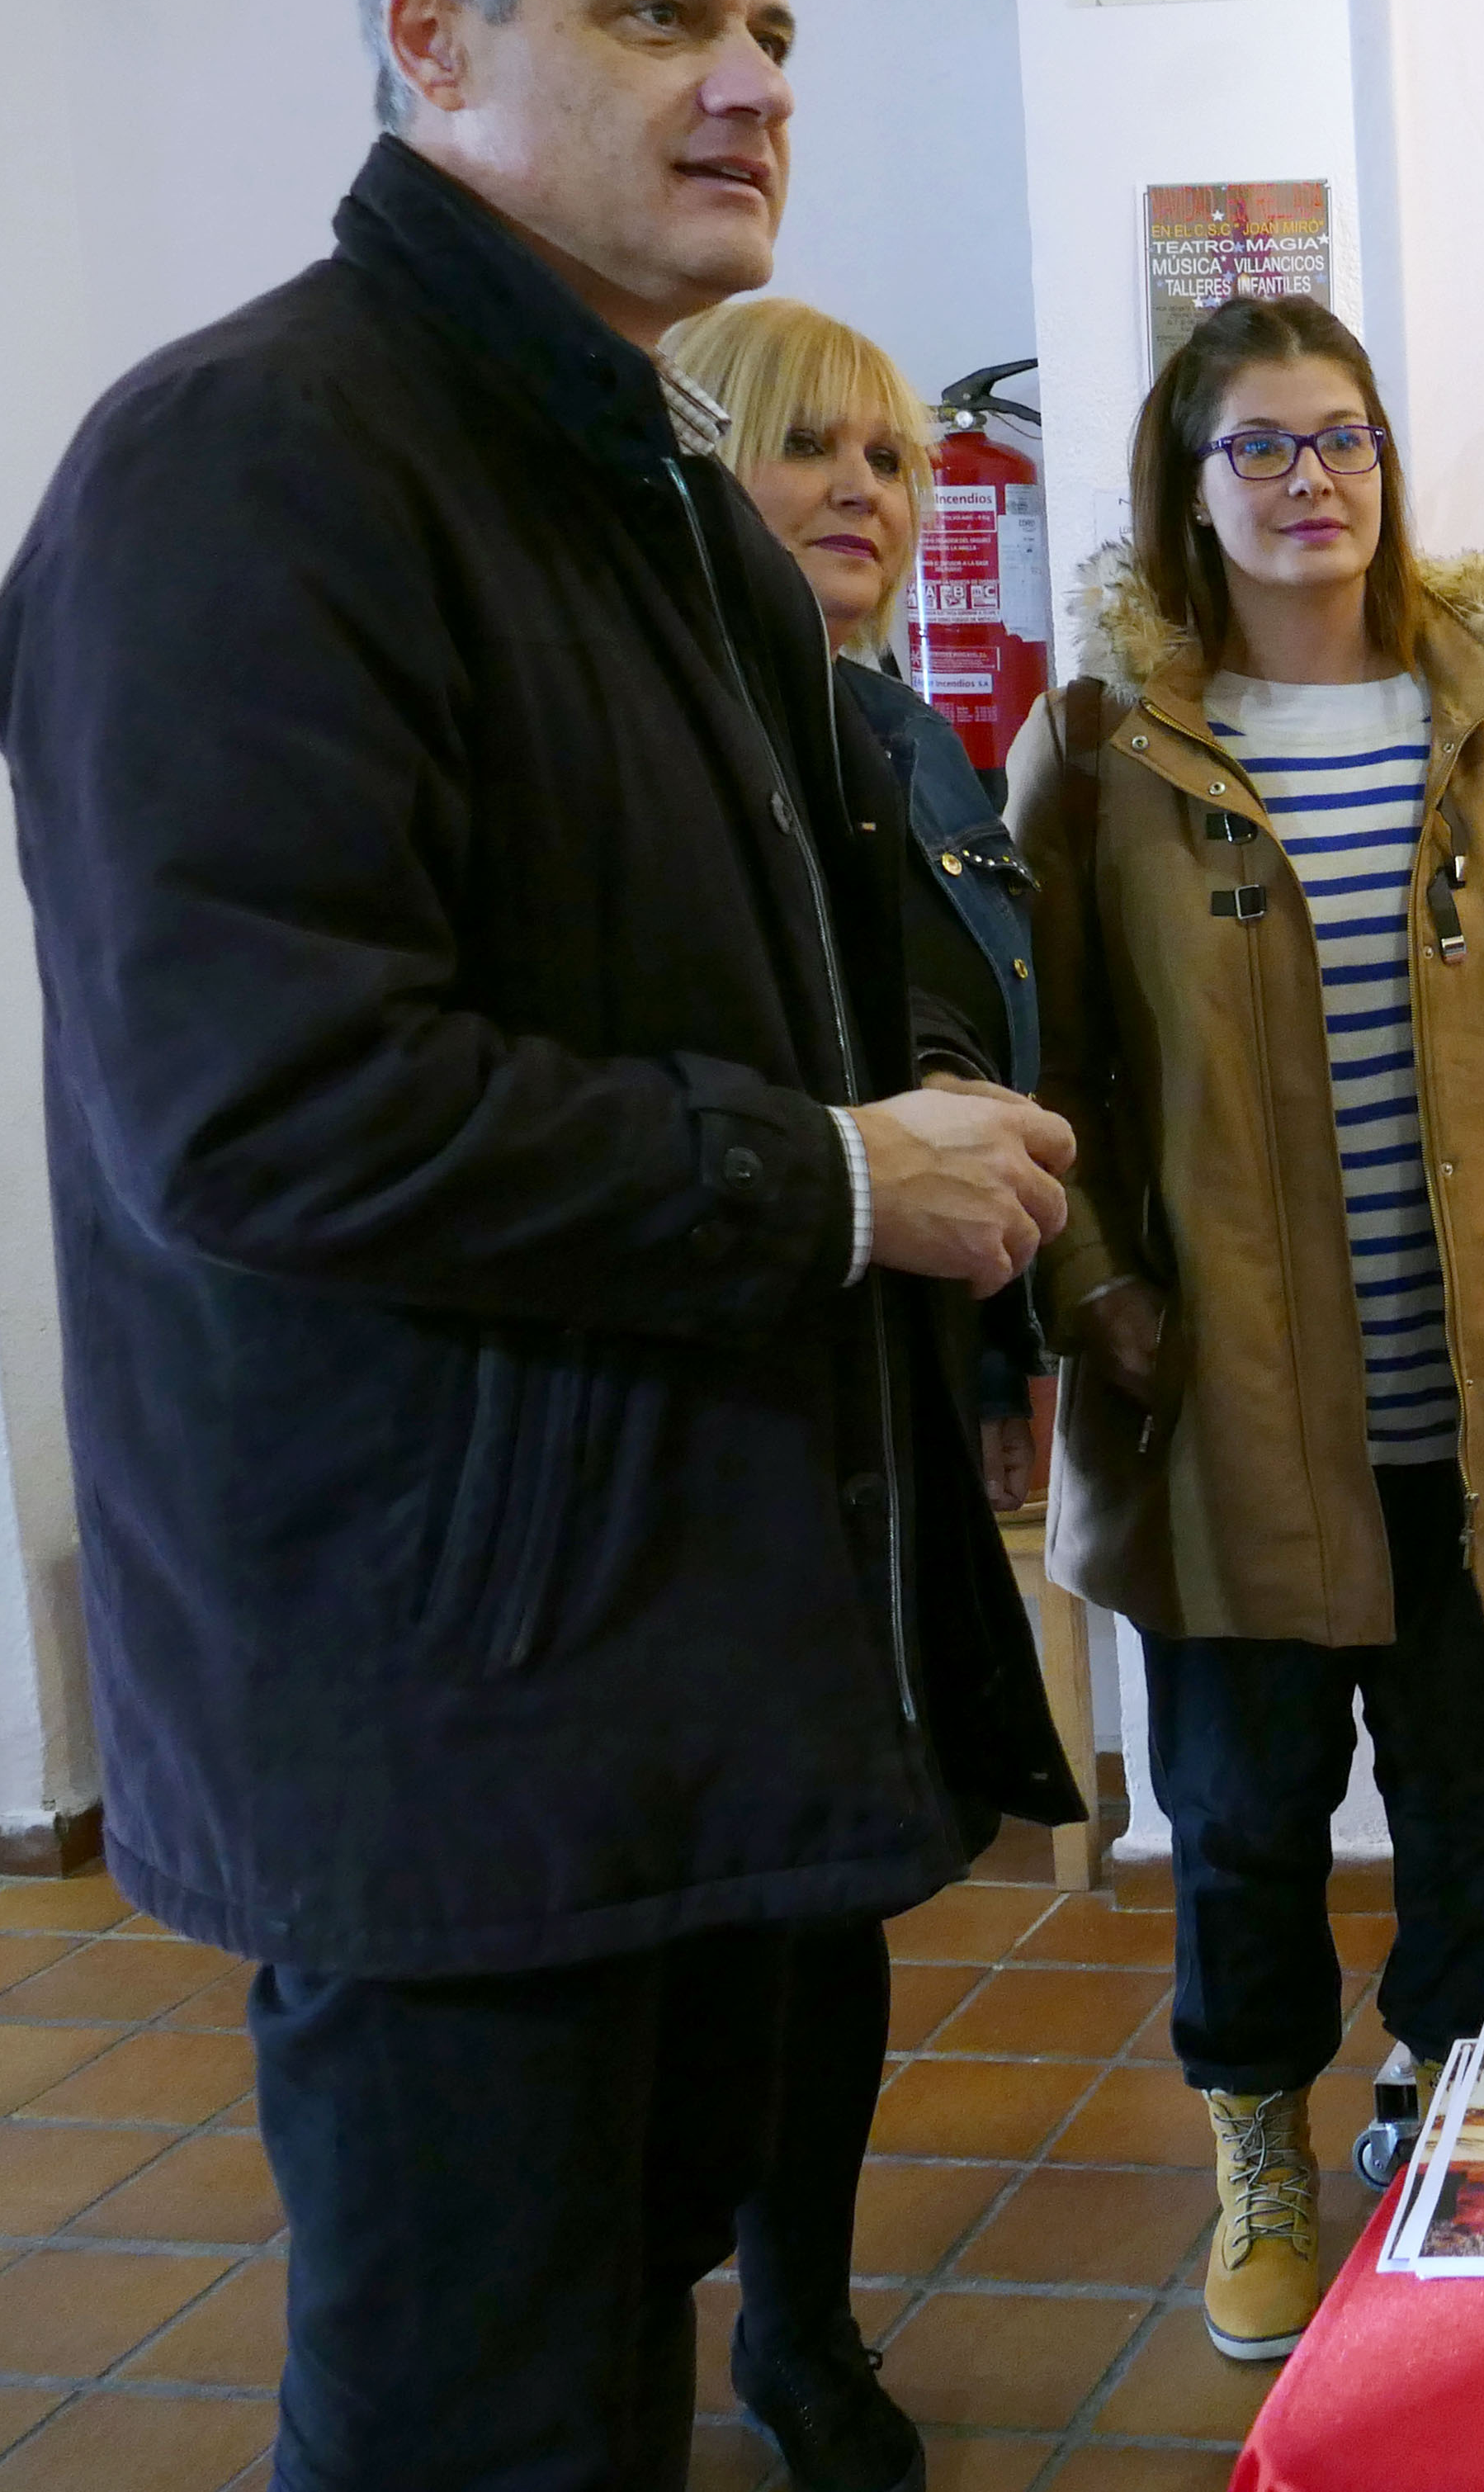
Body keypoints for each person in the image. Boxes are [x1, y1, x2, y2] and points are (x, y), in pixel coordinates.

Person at [0, 0, 1083, 2491]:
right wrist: (842, 1175)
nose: (754, 83)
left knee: (593, 2391)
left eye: (776, 27)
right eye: (661, 10)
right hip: (450, 1723)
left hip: (655, 1685)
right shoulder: (249, 464)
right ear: (432, 39)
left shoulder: (655, 501)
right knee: (472, 2427)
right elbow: (269, 1110)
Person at [1014, 291, 1484, 2360]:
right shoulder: (1103, 739)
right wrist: (1097, 1291)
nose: (1310, 479)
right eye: (1261, 444)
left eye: (1344, 439)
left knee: (1477, 1821)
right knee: (1239, 1826)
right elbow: (1049, 1058)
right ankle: (1259, 2150)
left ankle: (1446, 2113)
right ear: (1188, 481)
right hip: (1228, 1416)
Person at [661, 296, 1050, 2490]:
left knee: (828, 1899)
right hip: (698, 1412)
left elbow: (968, 1026)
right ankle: (639, 2320)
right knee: (685, 1928)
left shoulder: (910, 739)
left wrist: (1000, 1350)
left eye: (892, 459)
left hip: (876, 1410)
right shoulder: (653, 739)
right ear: (699, 461)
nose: (865, 494)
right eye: (810, 446)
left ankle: (799, 2329)